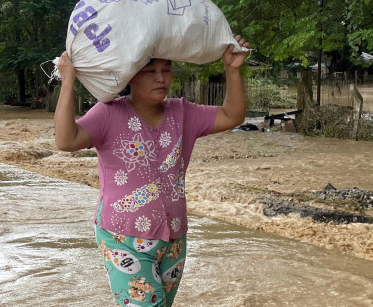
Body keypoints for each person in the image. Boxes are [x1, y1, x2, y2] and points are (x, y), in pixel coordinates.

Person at [54, 35, 250, 307]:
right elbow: (66, 140)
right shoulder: (108, 113)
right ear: (131, 76)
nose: (161, 78)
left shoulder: (183, 112)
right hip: (123, 236)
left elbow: (232, 115)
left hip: (174, 237)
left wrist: (232, 69)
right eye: (150, 71)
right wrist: (68, 82)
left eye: (166, 70)